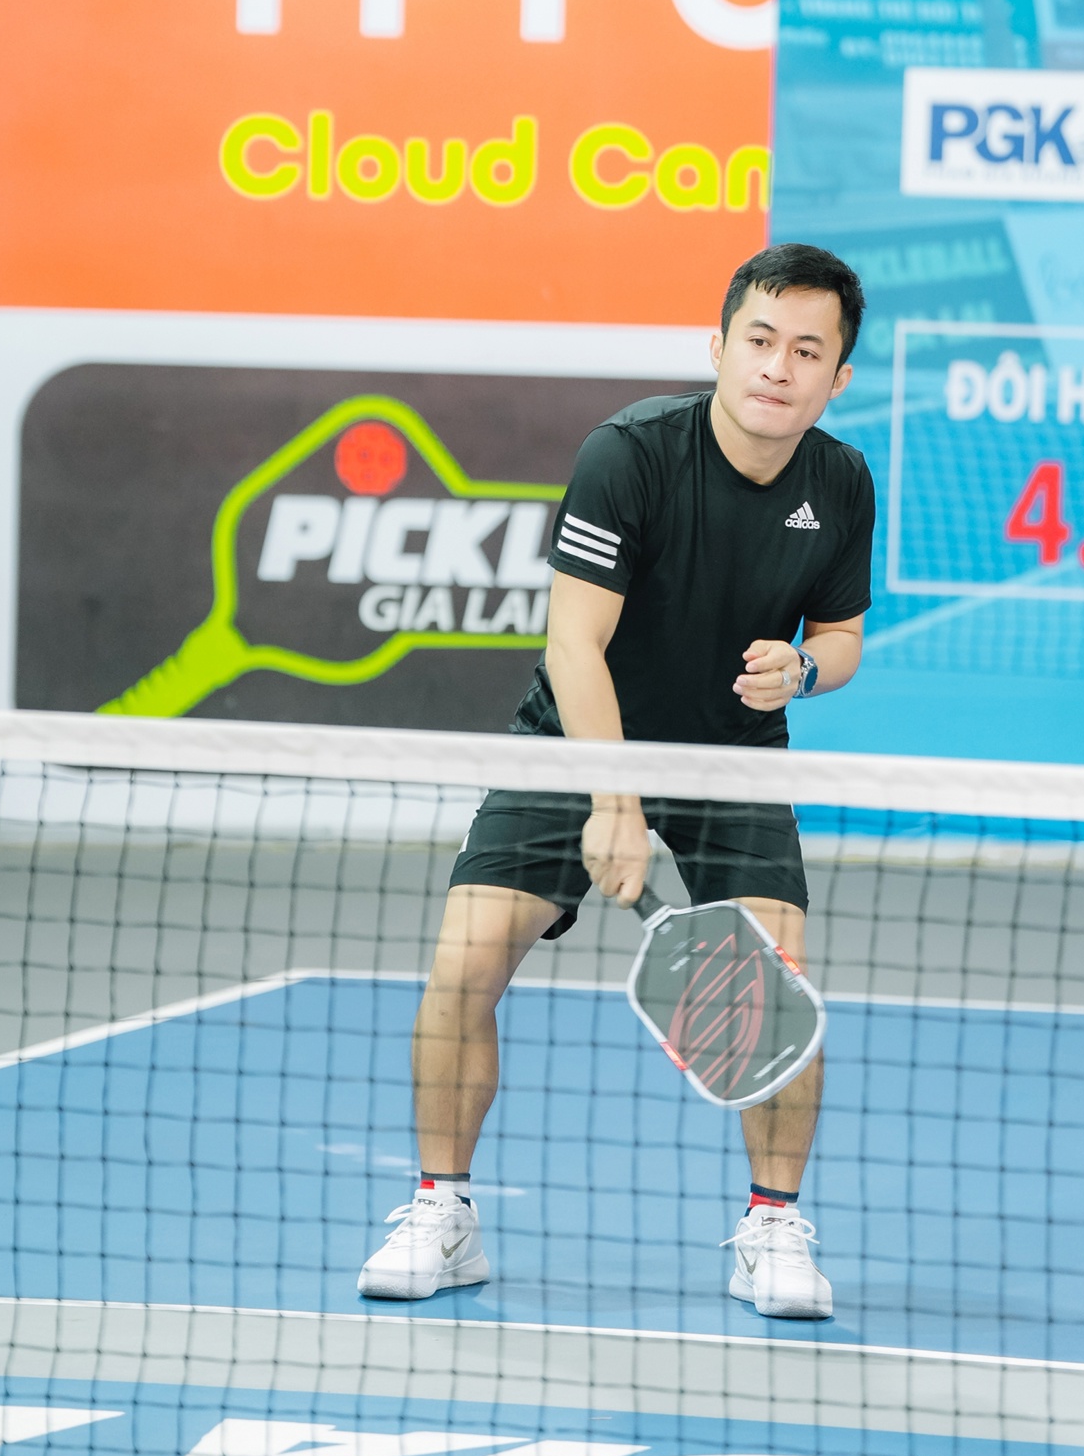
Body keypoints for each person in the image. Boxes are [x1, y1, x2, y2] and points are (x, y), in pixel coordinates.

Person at [358, 244, 874, 1318]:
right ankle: (442, 1211)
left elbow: (840, 635)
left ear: (837, 377)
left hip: (729, 756)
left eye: (805, 351)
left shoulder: (839, 482)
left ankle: (772, 1226)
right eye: (760, 339)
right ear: (718, 346)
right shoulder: (629, 455)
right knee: (462, 965)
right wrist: (613, 798)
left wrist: (804, 670)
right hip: (574, 742)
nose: (777, 366)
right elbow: (573, 645)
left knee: (777, 988)